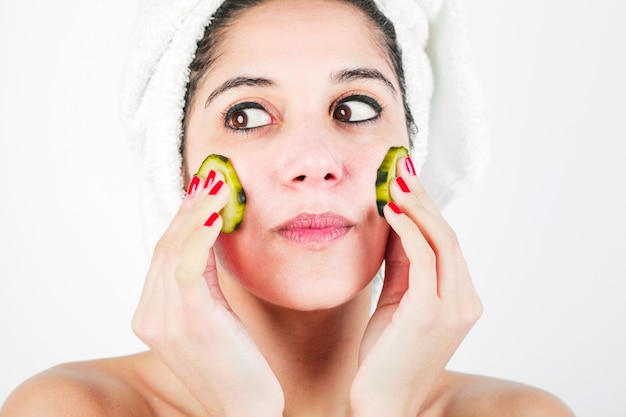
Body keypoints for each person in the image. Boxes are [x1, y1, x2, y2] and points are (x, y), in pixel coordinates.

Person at [0, 0, 574, 416]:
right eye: (247, 115)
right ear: (177, 169)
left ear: (410, 156)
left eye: (352, 108)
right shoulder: (69, 409)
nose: (314, 161)